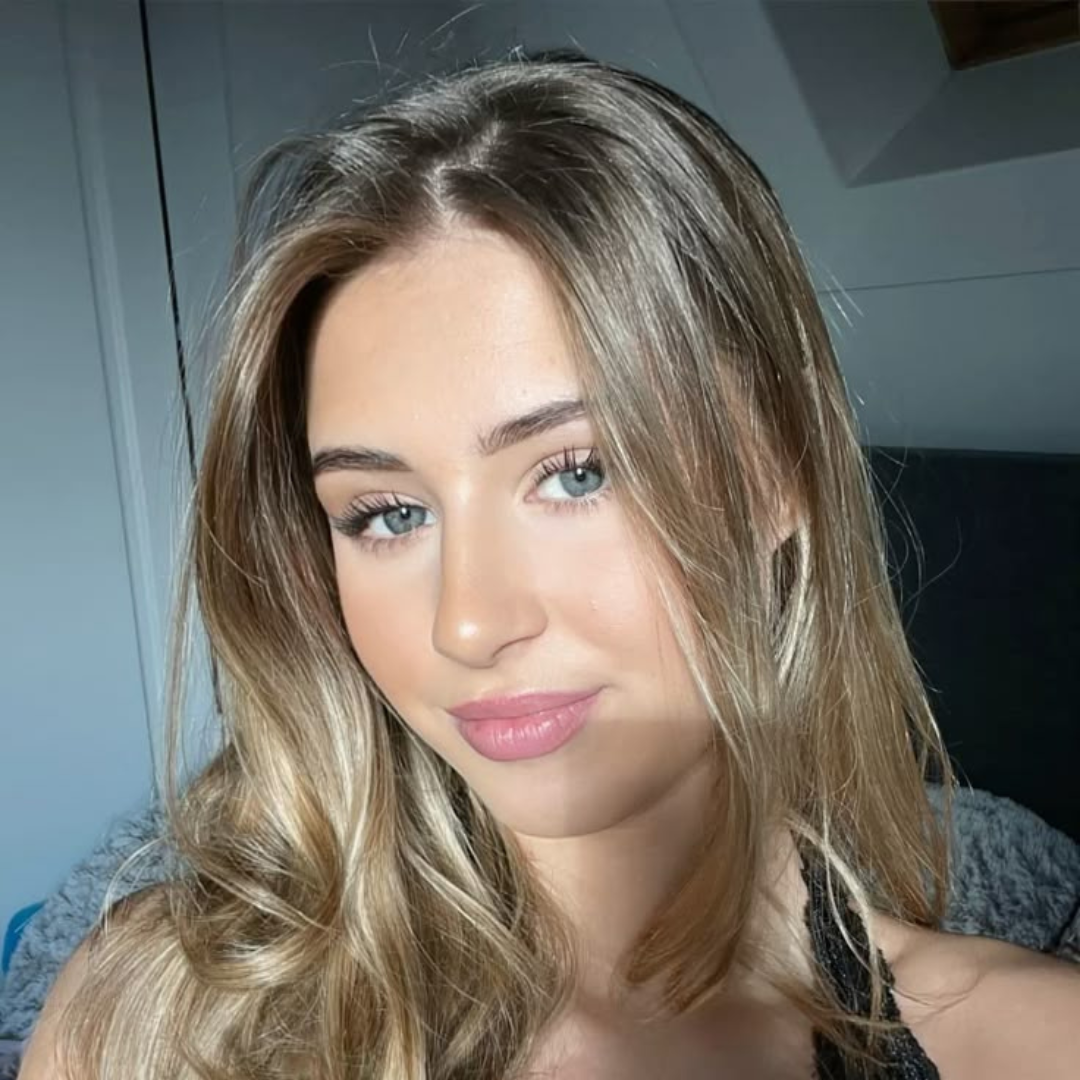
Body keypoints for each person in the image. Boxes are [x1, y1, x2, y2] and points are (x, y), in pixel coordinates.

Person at [21, 48, 1080, 1080]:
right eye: (388, 514)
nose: (469, 623)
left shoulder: (1030, 1044)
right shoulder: (154, 1018)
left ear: (777, 474)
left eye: (577, 473)